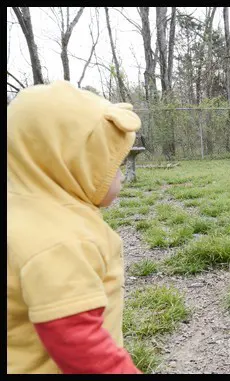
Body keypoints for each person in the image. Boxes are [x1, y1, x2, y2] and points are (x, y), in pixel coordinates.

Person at [7, 80, 143, 374]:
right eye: (110, 164)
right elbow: (81, 347)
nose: (119, 176)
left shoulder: (26, 212)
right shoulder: (60, 242)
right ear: (68, 163)